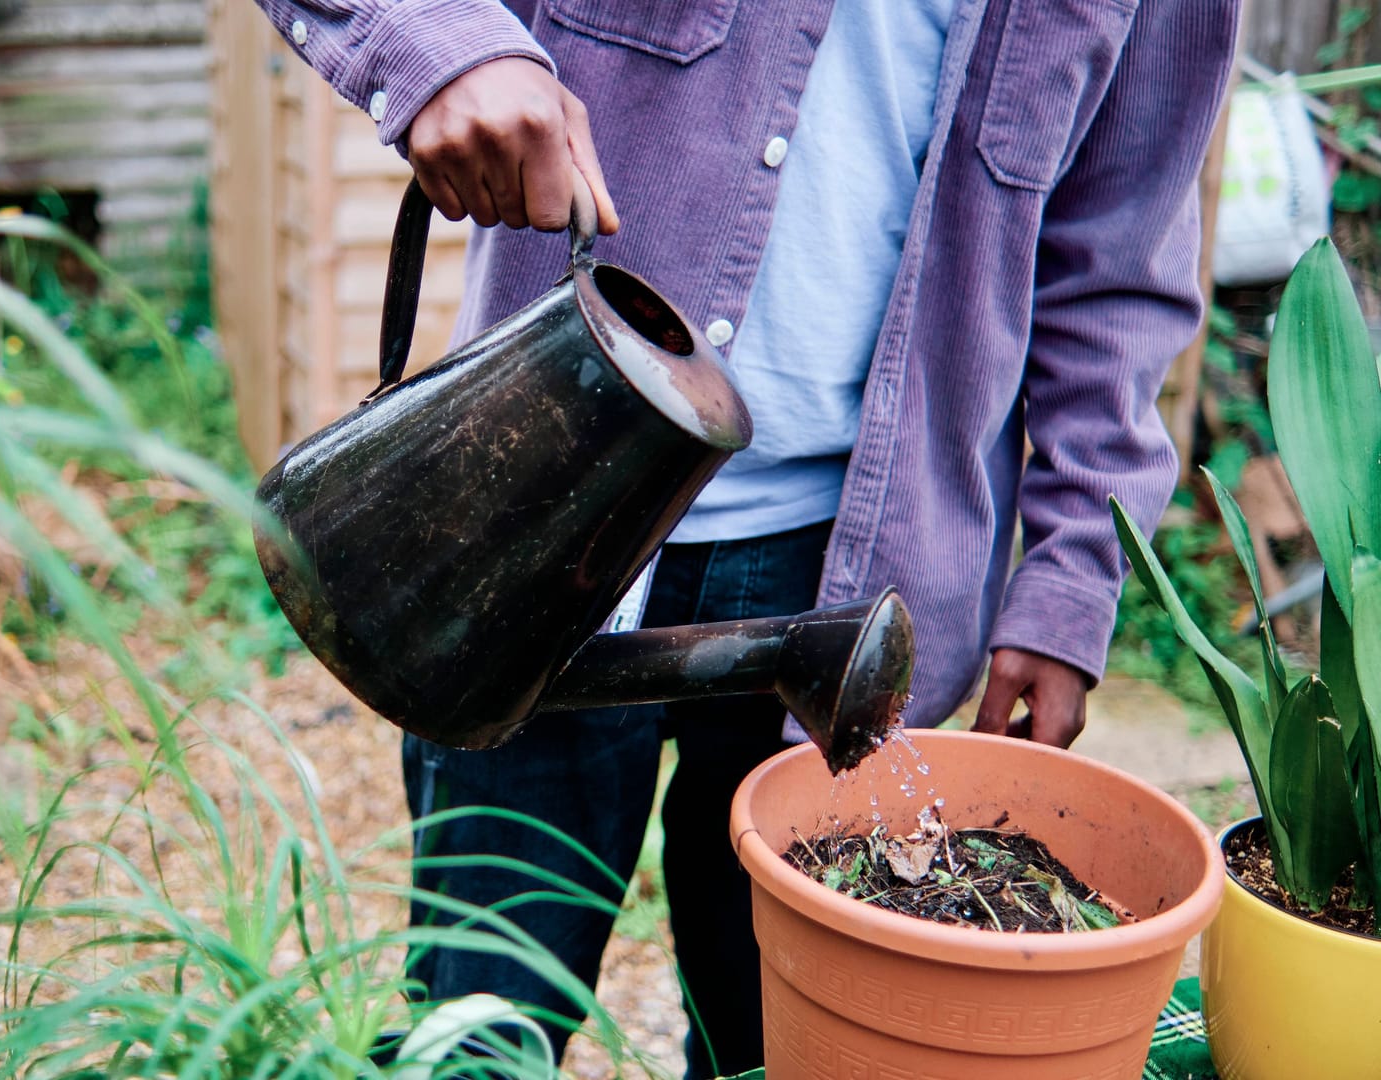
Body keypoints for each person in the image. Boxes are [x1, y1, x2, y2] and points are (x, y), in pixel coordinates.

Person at [248, 1, 1240, 1074]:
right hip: (534, 532)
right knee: (480, 1030)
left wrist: (1073, 578)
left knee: (775, 1051)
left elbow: (1116, 265)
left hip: (851, 594)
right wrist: (443, 49)